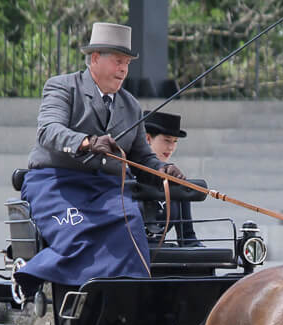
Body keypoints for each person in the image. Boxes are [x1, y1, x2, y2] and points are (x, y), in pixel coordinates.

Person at [15, 22, 183, 296]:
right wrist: (88, 142)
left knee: (129, 225)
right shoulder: (63, 87)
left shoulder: (130, 105)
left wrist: (164, 170)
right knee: (78, 234)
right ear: (95, 58)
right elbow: (48, 130)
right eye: (118, 61)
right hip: (57, 184)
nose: (123, 69)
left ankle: (127, 297)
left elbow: (142, 157)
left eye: (127, 63)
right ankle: (42, 280)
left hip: (107, 190)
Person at [140, 110, 200, 246]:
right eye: (167, 140)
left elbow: (187, 237)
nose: (171, 147)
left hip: (161, 255)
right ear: (147, 139)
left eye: (175, 141)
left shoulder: (176, 180)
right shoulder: (126, 176)